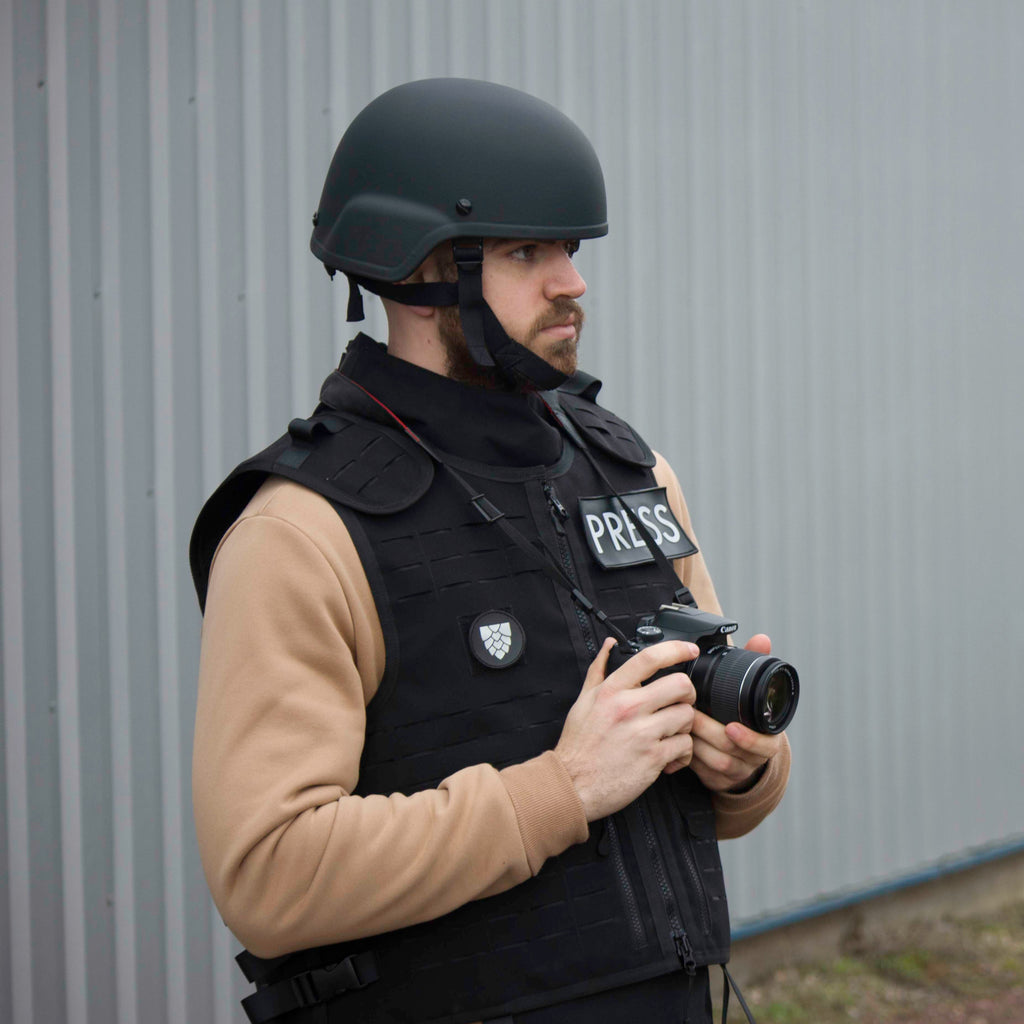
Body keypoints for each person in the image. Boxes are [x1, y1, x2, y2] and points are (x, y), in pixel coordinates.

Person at [190, 78, 792, 1024]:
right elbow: (269, 874)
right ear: (418, 269)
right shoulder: (301, 532)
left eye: (569, 247)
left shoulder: (629, 471)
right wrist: (560, 791)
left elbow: (723, 798)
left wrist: (743, 763)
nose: (572, 281)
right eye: (526, 251)